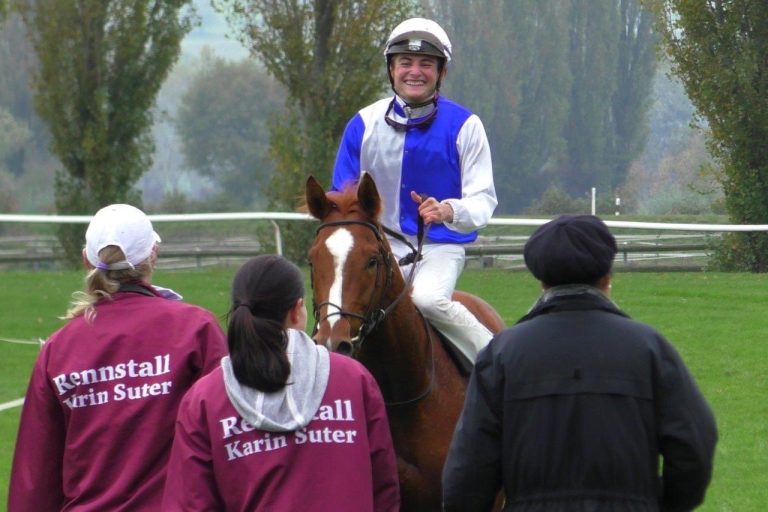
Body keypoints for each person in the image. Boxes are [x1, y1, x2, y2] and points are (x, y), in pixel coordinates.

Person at [442, 214, 718, 511]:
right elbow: (693, 443)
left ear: (541, 279)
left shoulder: (502, 355)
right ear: (607, 275)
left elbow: (469, 467)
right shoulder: (648, 347)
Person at [8, 204, 228, 511]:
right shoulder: (196, 329)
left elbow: (34, 479)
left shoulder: (59, 349)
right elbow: (229, 439)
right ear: (154, 252)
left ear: (87, 260)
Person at [161, 255, 400, 511]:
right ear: (297, 310)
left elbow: (190, 502)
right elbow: (384, 488)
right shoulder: (354, 379)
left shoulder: (205, 398)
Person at [332, 17, 497, 363]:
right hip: (378, 249)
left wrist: (448, 210)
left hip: (439, 248)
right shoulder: (362, 125)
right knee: (338, 310)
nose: (415, 72)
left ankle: (502, 361)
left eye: (426, 64)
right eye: (405, 63)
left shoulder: (466, 126)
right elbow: (340, 198)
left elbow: (483, 200)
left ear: (441, 73)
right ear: (391, 69)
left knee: (426, 300)